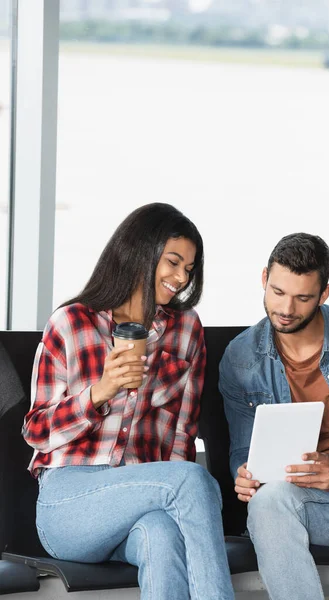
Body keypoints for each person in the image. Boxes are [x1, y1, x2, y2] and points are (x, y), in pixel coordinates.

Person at [23, 202, 234, 600]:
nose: (180, 277)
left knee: (162, 534)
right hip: (70, 502)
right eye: (172, 262)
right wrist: (99, 393)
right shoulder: (71, 323)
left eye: (188, 268)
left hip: (145, 498)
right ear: (141, 251)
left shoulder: (186, 331)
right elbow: (35, 432)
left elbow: (181, 441)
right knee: (192, 480)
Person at [219, 232, 329, 600]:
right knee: (266, 505)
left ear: (324, 294)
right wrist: (246, 475)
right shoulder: (240, 358)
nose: (286, 309)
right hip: (317, 498)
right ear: (264, 278)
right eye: (277, 292)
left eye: (302, 298)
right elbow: (244, 448)